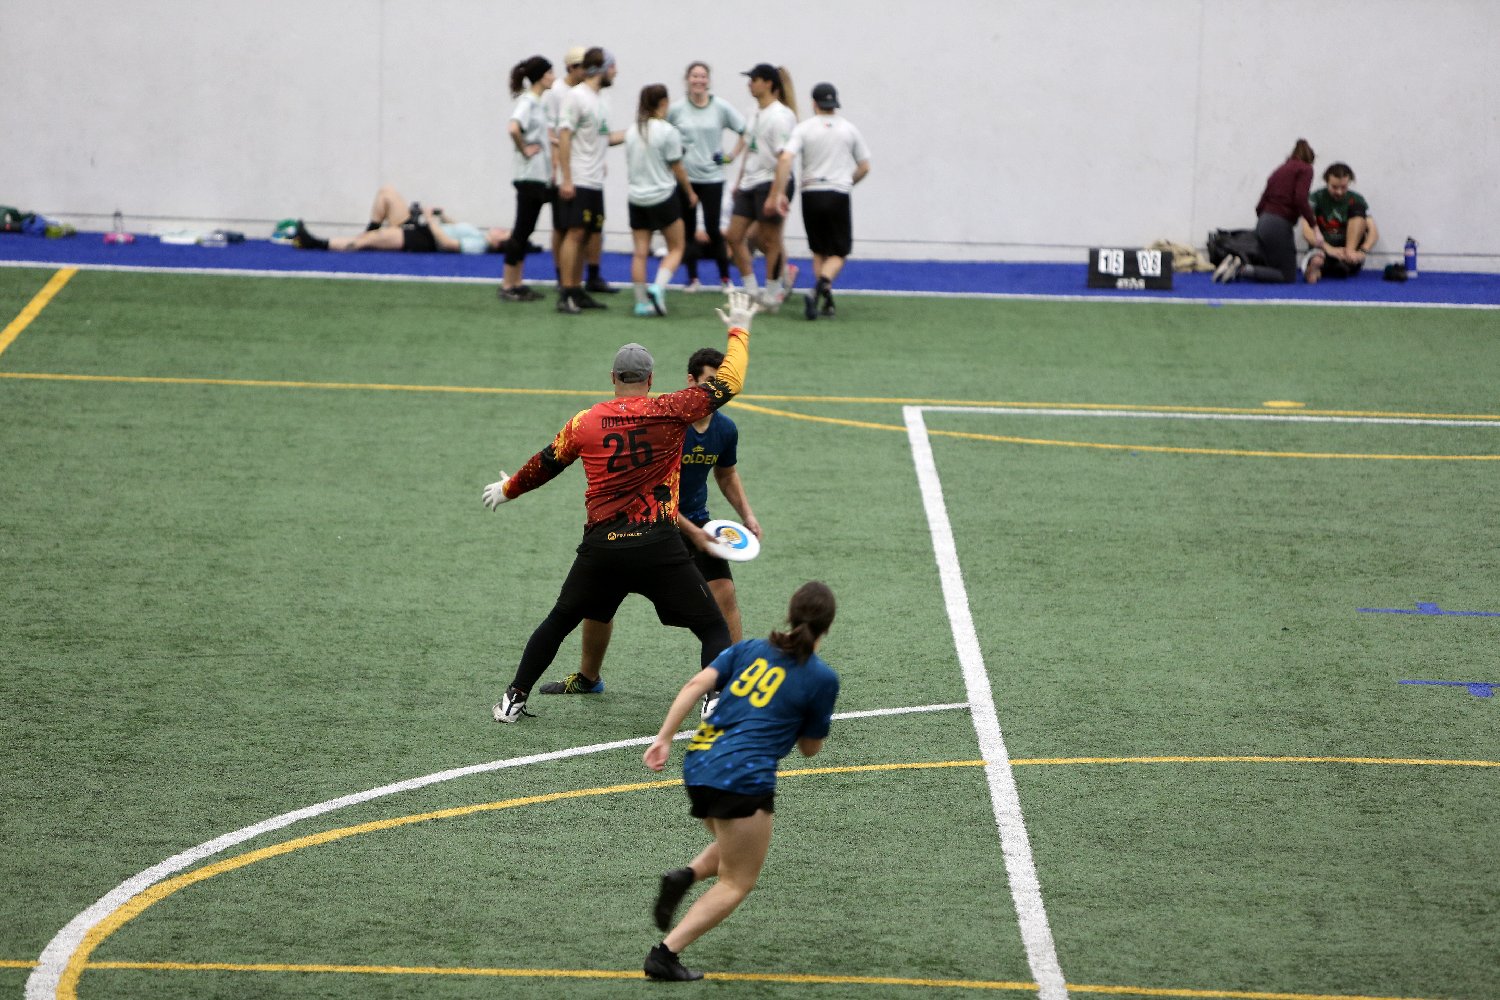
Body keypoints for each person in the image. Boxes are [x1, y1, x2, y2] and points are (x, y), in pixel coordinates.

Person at [481, 292, 762, 724]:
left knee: (559, 620)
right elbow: (730, 383)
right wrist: (738, 330)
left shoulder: (585, 422)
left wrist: (508, 489)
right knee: (712, 626)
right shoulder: (670, 410)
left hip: (602, 548)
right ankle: (715, 700)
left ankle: (513, 699)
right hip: (658, 545)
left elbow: (545, 464)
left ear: (613, 377)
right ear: (650, 379)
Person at [640, 580, 840, 982]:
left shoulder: (749, 648)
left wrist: (663, 738)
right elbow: (810, 749)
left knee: (734, 846)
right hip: (741, 776)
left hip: (699, 762)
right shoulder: (821, 678)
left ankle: (686, 876)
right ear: (828, 627)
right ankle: (665, 954)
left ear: (790, 613)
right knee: (737, 880)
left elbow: (695, 685)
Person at [546, 347, 762, 696]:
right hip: (653, 523)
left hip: (698, 524)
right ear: (691, 381)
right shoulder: (670, 424)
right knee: (597, 606)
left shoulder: (725, 429)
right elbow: (651, 492)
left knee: (724, 595)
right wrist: (693, 532)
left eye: (719, 381)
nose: (714, 390)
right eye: (709, 381)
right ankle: (588, 677)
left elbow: (726, 474)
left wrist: (747, 515)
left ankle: (731, 682)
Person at [769, 82, 870, 320]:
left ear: (814, 103)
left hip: (811, 193)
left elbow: (785, 158)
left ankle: (826, 300)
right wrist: (848, 182)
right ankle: (818, 288)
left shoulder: (804, 129)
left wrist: (779, 192)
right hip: (837, 193)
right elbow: (864, 166)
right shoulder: (849, 129)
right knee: (839, 252)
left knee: (819, 249)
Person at [555, 48, 626, 313]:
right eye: (613, 66)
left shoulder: (602, 99)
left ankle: (577, 290)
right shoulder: (576, 97)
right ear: (601, 68)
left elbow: (605, 138)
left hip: (595, 180)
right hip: (579, 177)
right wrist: (567, 178)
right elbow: (564, 136)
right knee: (574, 233)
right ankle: (566, 293)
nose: (616, 72)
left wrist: (638, 131)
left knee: (586, 236)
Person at [724, 63, 799, 310]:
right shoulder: (754, 112)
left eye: (754, 79)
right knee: (734, 236)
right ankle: (752, 290)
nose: (750, 84)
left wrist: (776, 194)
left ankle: (773, 294)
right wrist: (739, 181)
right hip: (750, 182)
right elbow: (749, 147)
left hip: (771, 182)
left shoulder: (781, 116)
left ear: (768, 83)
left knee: (769, 240)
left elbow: (784, 158)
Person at [668, 62, 747, 293]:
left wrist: (731, 156)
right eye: (694, 76)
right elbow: (662, 133)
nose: (699, 80)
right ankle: (693, 279)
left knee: (713, 228)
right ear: (687, 79)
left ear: (708, 81)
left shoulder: (720, 107)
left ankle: (725, 279)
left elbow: (745, 130)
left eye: (703, 76)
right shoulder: (677, 109)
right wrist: (671, 160)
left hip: (713, 178)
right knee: (689, 229)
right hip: (686, 179)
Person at [625, 84, 697, 317]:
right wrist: (690, 192)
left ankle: (640, 303)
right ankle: (658, 287)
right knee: (677, 247)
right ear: (663, 103)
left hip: (637, 198)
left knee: (640, 252)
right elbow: (677, 167)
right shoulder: (668, 131)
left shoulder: (632, 131)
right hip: (663, 197)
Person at [1213, 138, 1326, 284]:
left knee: (1272, 264)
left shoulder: (1280, 170)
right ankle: (1241, 269)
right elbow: (1300, 199)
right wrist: (1315, 228)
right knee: (1287, 276)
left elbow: (1260, 205)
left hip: (1263, 221)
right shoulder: (1306, 169)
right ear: (1310, 158)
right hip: (1280, 224)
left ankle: (1236, 265)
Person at [291, 185, 508, 254]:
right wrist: (442, 216)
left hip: (422, 239)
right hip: (424, 227)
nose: (500, 229)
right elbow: (454, 228)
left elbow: (448, 244)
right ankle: (367, 234)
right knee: (387, 193)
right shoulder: (478, 235)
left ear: (498, 244)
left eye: (503, 233)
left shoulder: (479, 245)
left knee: (370, 240)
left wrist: (431, 221)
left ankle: (315, 243)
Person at [499, 55, 555, 302]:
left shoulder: (539, 103)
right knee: (522, 230)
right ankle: (508, 285)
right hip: (528, 176)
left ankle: (517, 283)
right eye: (550, 73)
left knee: (527, 229)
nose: (554, 77)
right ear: (541, 77)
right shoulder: (528, 102)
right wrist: (524, 149)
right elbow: (513, 127)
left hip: (538, 176)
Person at [1302, 162, 1379, 283]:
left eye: (1343, 187)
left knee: (1358, 209)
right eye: (1334, 187)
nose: (1339, 192)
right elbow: (1307, 231)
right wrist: (1329, 249)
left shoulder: (1357, 199)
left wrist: (1362, 252)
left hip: (1347, 253)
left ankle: (1340, 262)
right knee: (1317, 258)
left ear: (1349, 182)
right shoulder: (1315, 198)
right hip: (1324, 249)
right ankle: (1317, 268)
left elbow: (1373, 232)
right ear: (1327, 182)